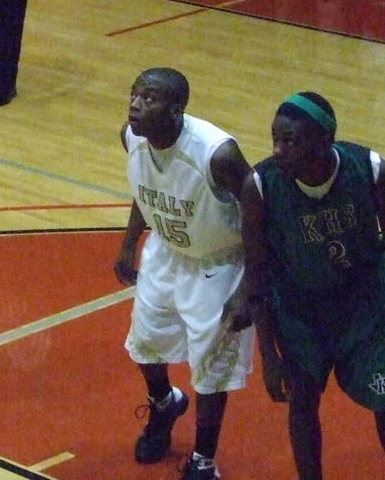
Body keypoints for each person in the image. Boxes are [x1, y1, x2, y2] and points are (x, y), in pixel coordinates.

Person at [115, 67, 255, 480]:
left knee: (210, 368)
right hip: (166, 251)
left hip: (217, 262)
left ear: (177, 109)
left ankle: (203, 460)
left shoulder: (217, 154)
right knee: (145, 342)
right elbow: (144, 190)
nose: (136, 104)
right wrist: (128, 245)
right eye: (134, 94)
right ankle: (165, 403)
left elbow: (256, 210)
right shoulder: (131, 136)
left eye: (150, 98)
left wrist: (249, 286)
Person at [240, 92, 385, 480]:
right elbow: (256, 269)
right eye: (275, 139)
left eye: (290, 141)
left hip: (365, 304)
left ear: (324, 140)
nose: (278, 150)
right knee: (302, 400)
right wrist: (268, 355)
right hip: (300, 311)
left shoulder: (368, 168)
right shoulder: (260, 185)